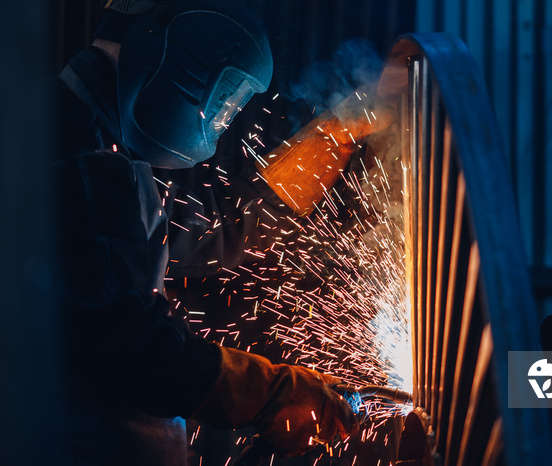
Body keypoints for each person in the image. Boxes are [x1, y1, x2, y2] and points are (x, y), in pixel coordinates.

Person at [50, 1, 358, 464]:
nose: (219, 119)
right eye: (224, 100)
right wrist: (267, 391)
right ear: (186, 46)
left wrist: (346, 126)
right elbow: (134, 351)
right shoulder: (74, 156)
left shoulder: (112, 154)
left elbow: (220, 228)